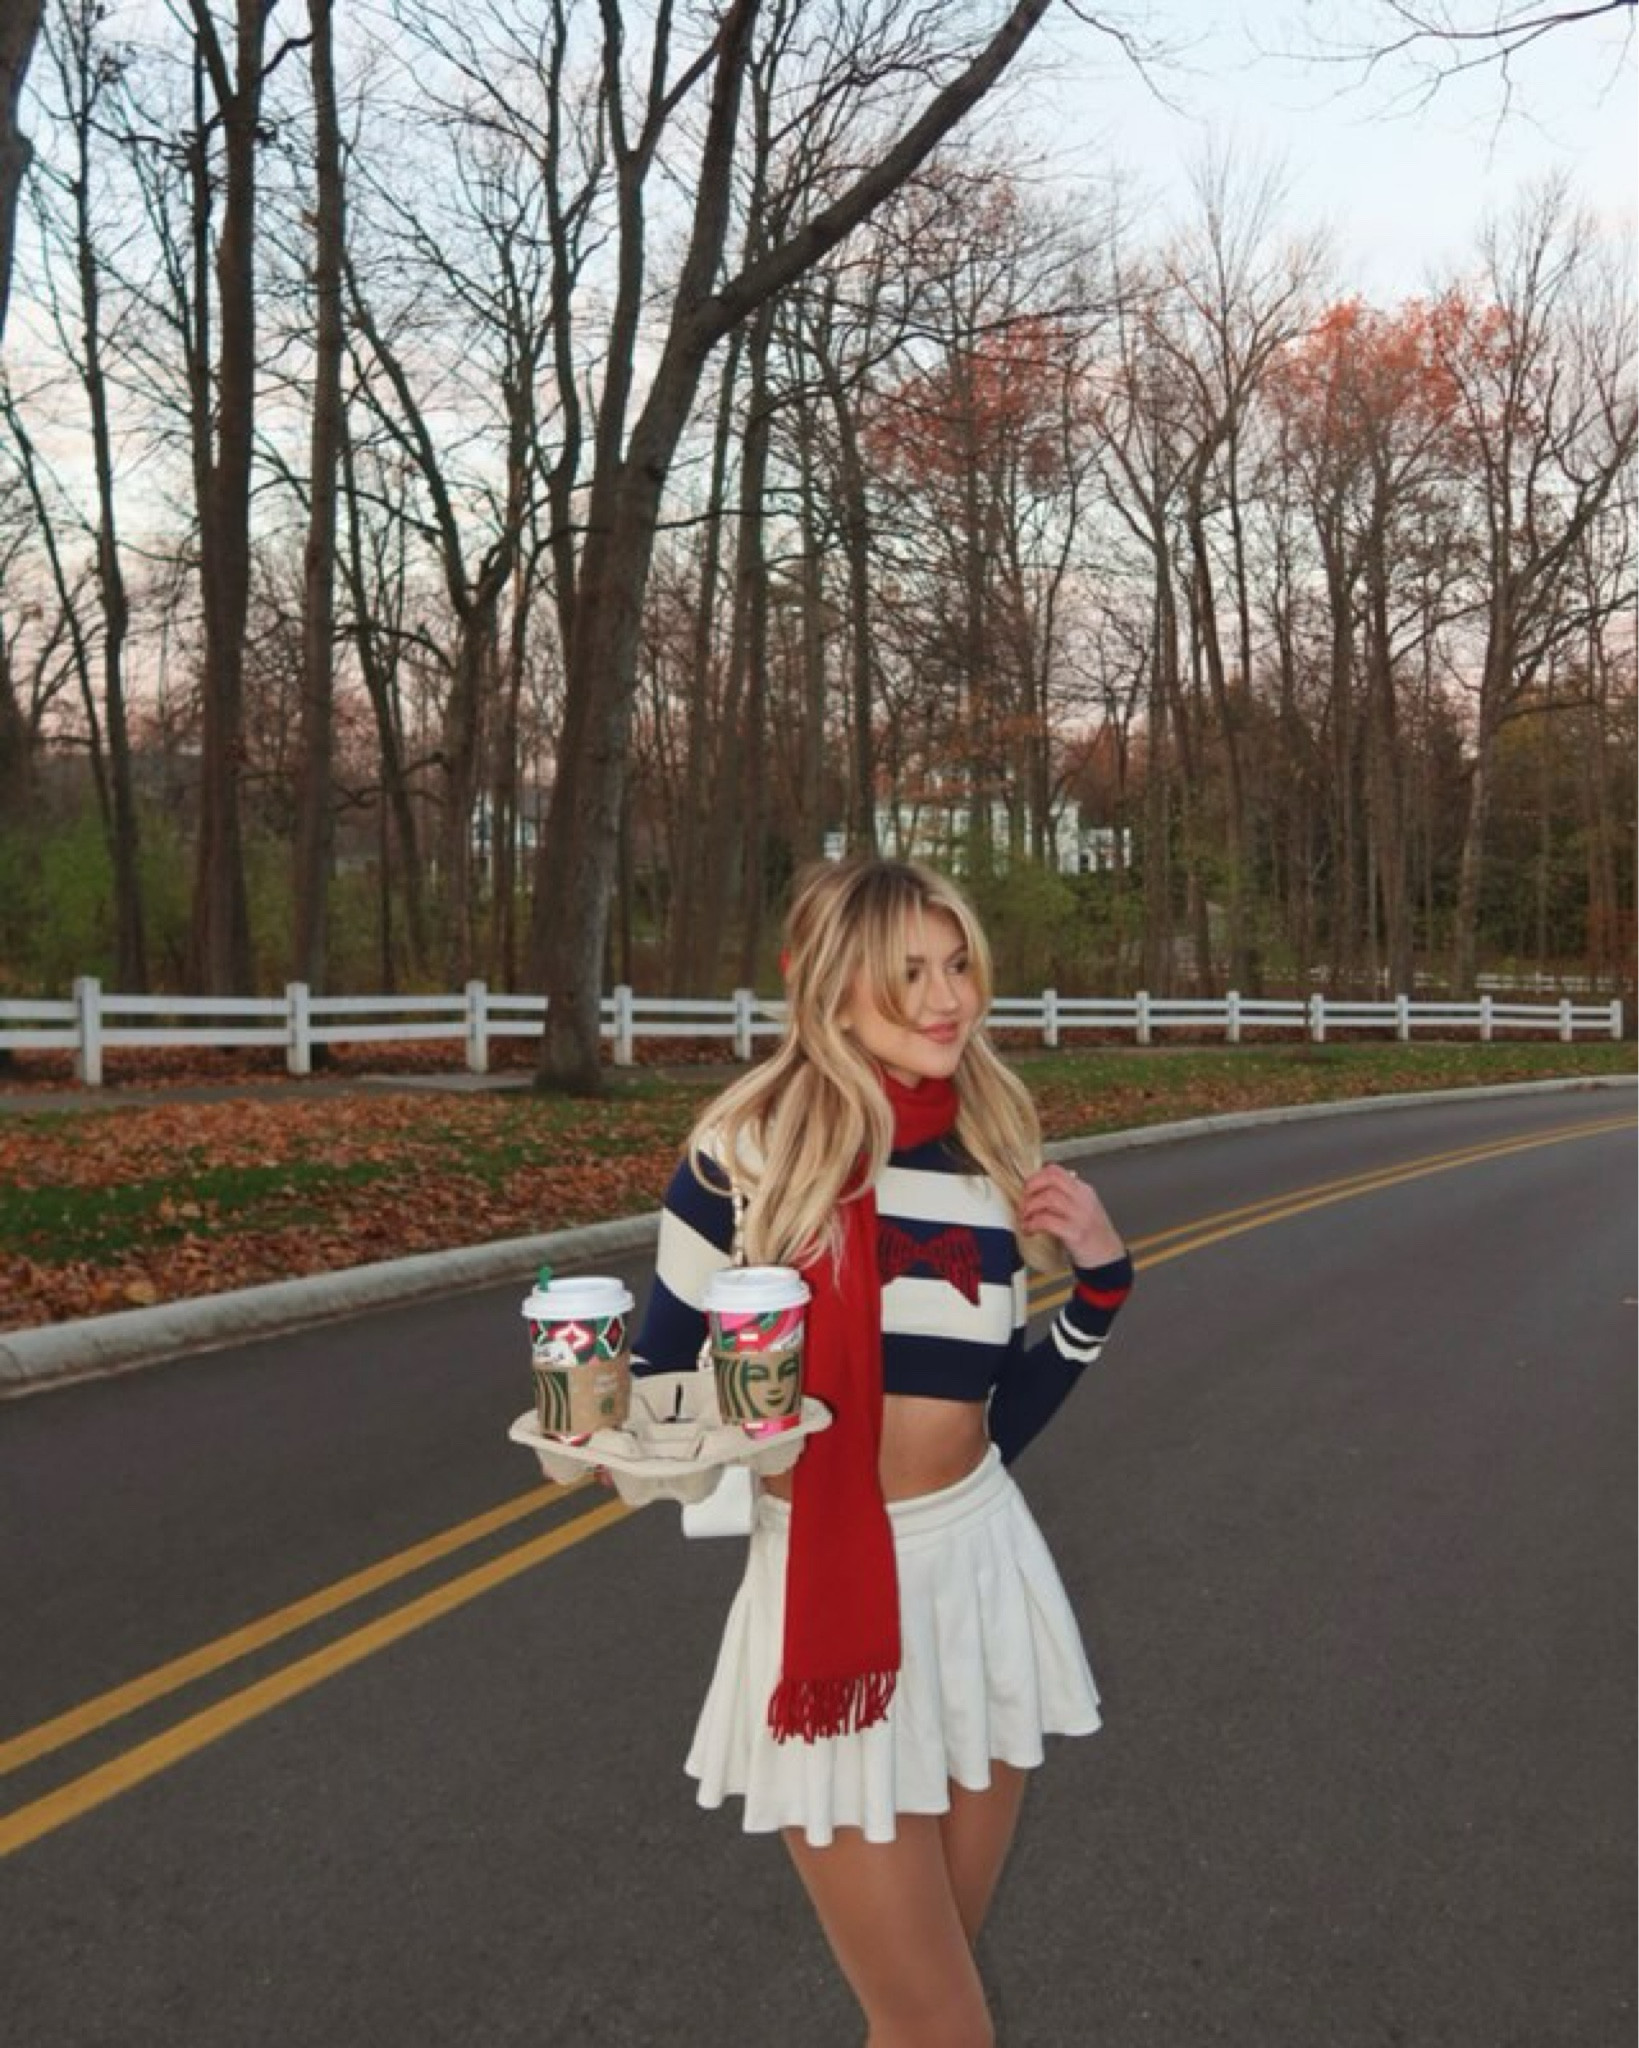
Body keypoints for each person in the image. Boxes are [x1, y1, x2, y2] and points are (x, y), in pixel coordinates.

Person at [632, 856, 1133, 2048]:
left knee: (917, 2015)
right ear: (832, 990)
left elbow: (991, 1414)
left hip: (977, 1579)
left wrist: (1100, 1286)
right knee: (941, 2023)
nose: (946, 995)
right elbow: (655, 1382)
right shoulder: (742, 1154)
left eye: (957, 962)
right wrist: (641, 1440)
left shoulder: (986, 1151)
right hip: (829, 1597)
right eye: (907, 970)